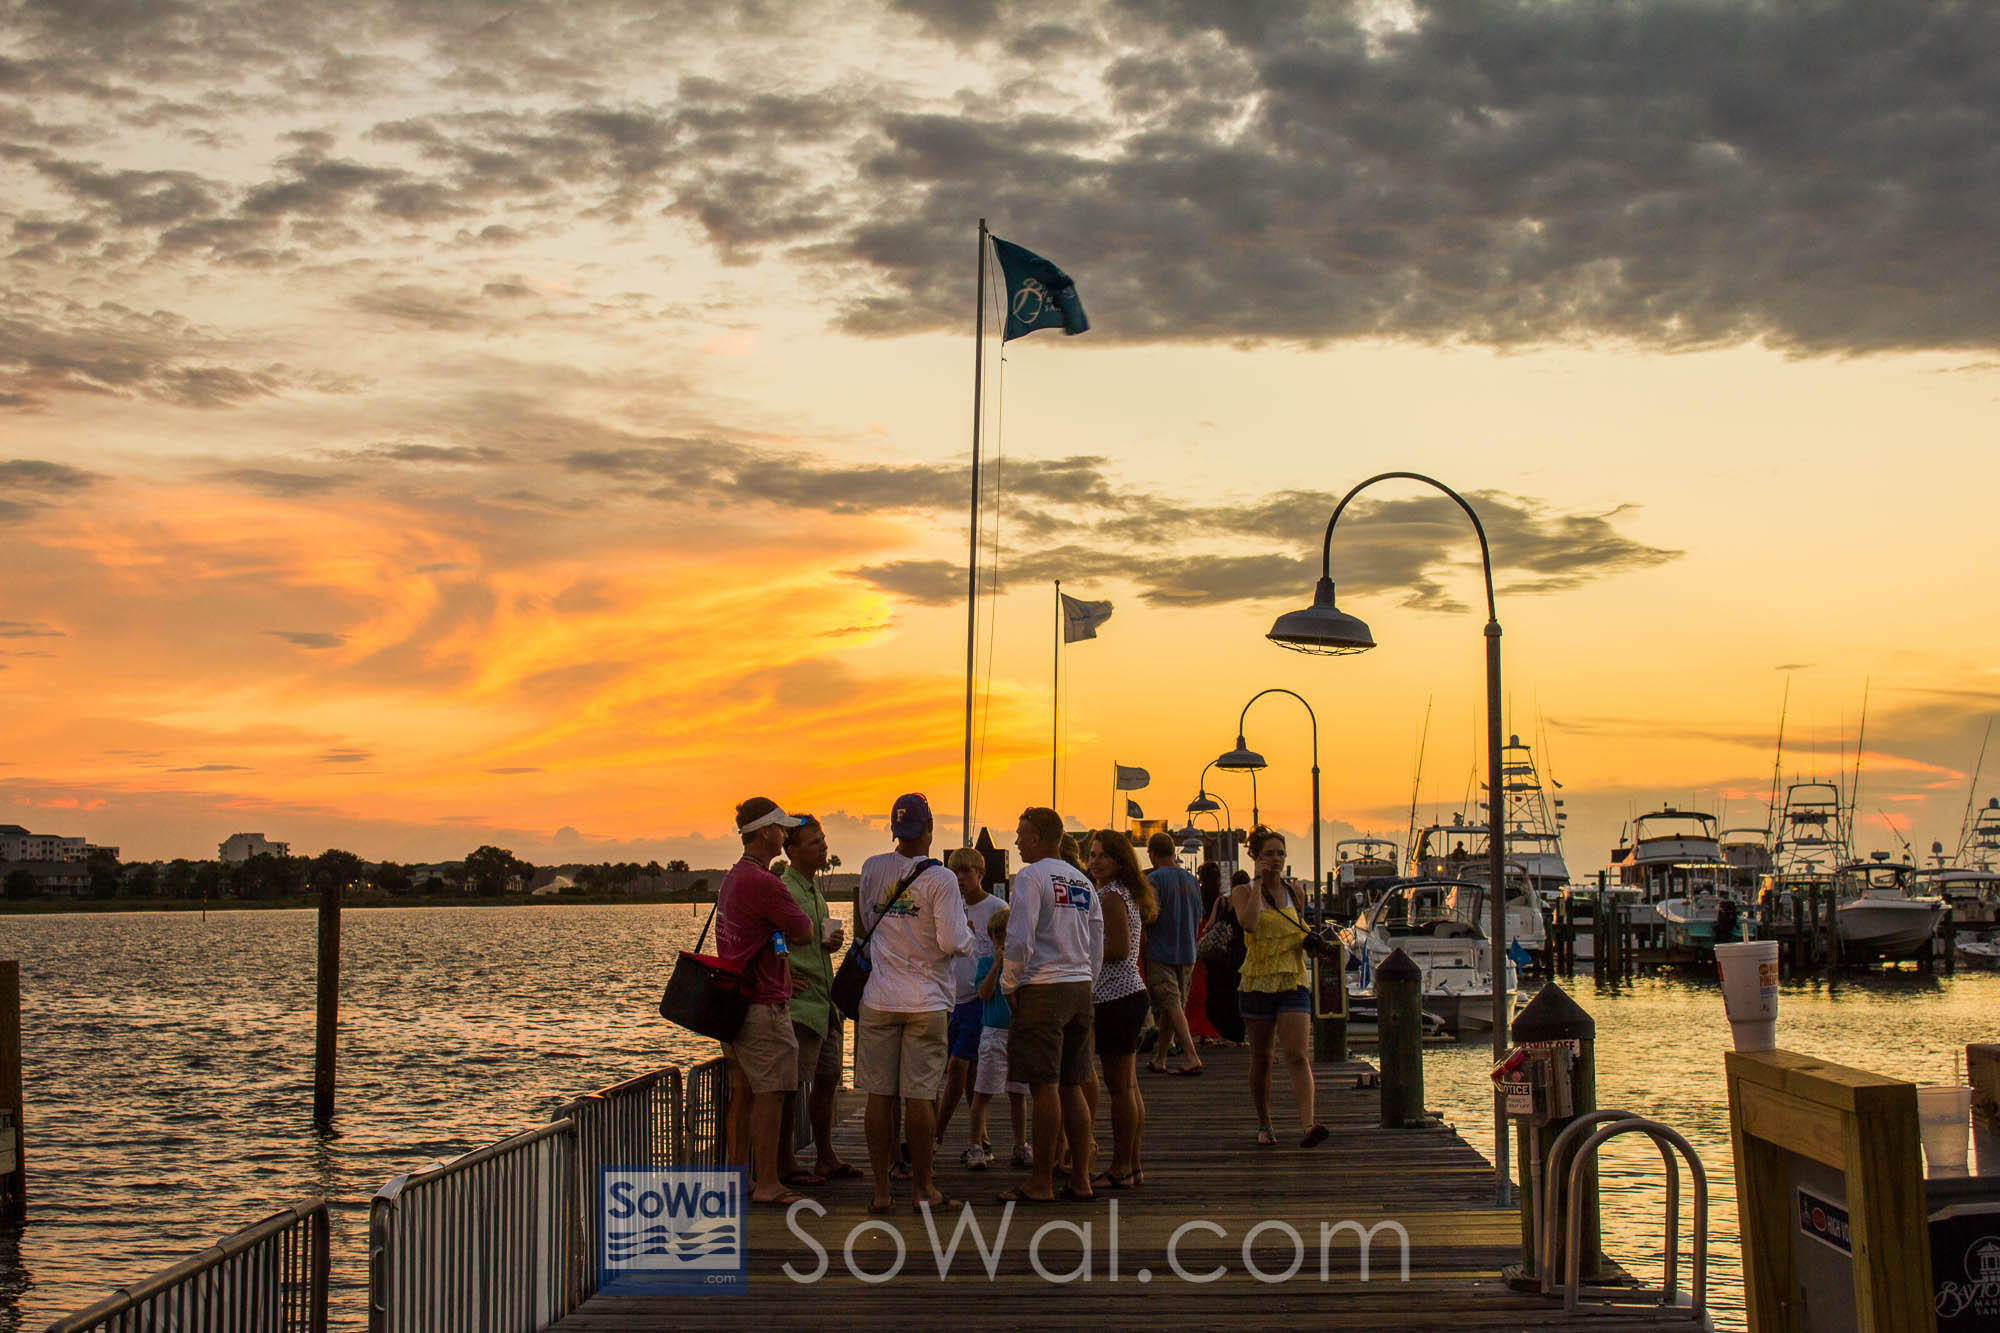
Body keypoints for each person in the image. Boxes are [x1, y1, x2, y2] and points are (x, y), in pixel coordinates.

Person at [854, 793, 973, 1213]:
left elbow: (867, 923)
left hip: (879, 997)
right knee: (919, 1097)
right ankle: (924, 1188)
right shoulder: (941, 880)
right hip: (925, 1000)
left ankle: (882, 1191)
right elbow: (952, 941)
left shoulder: (872, 867)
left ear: (894, 829)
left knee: (879, 1097)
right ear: (929, 829)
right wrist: (972, 938)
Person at [999, 806, 1104, 1203]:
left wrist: (1011, 982)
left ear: (1040, 837)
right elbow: (1096, 938)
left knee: (1043, 1086)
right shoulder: (1083, 882)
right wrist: (1086, 978)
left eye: (1021, 834)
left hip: (1043, 986)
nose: (1016, 841)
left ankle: (1040, 1182)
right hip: (1079, 985)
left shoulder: (1031, 877)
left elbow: (1020, 935)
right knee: (1072, 1083)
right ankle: (1081, 1177)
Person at [716, 796, 816, 1205]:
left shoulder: (734, 878)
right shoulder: (763, 882)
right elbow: (804, 929)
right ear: (763, 834)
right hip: (762, 1003)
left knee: (742, 1092)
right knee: (771, 1093)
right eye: (780, 829)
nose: (785, 834)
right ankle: (769, 1181)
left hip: (734, 1003)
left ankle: (738, 1176)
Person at [775, 815, 858, 1188]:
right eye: (813, 842)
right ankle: (785, 1160)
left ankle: (825, 1155)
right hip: (801, 1003)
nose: (823, 846)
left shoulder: (814, 891)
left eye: (822, 840)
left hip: (825, 1002)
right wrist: (787, 968)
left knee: (827, 1079)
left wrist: (828, 945)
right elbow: (775, 939)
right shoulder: (785, 889)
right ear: (792, 851)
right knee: (792, 1085)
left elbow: (807, 938)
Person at [1232, 828, 1327, 1148]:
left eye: (1280, 854)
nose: (1275, 859)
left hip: (1292, 978)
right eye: (1269, 854)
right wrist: (1259, 882)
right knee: (1262, 1057)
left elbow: (1299, 931)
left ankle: (1308, 1124)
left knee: (1298, 1054)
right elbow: (1249, 924)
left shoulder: (1296, 892)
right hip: (1258, 980)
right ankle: (1265, 1122)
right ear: (1256, 857)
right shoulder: (1243, 892)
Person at [1085, 829, 1155, 1189]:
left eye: (1102, 856)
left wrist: (1082, 951)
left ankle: (1121, 1166)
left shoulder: (1110, 896)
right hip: (1127, 994)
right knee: (1128, 1086)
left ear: (1118, 861)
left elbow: (1118, 948)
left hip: (1116, 996)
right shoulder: (1123, 893)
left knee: (1120, 1089)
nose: (1094, 862)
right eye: (1092, 855)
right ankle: (1133, 1163)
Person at [937, 846, 1006, 1164]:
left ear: (981, 874)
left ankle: (935, 1135)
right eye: (956, 872)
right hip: (952, 998)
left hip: (981, 1000)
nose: (962, 878)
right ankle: (981, 1138)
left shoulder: (997, 908)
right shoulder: (948, 907)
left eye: (967, 872)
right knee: (969, 1074)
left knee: (957, 1068)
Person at [970, 906, 1030, 1169]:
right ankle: (975, 1145)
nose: (1001, 941)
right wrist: (996, 965)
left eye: (1005, 936)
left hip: (1017, 1034)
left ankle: (1020, 1144)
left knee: (1018, 1093)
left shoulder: (1025, 964)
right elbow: (983, 994)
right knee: (983, 1091)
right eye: (997, 936)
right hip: (993, 1032)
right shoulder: (985, 963)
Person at [1141, 831, 1203, 1075]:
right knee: (1173, 1005)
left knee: (1170, 1004)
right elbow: (1198, 915)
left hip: (1161, 951)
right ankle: (1161, 1058)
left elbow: (1153, 914)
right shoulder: (1191, 880)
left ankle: (1191, 1055)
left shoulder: (1154, 880)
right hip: (1187, 951)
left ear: (1153, 854)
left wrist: (1139, 920)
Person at [1200, 864, 1247, 1044]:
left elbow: (1210, 924)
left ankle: (1221, 1031)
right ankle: (1240, 1035)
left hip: (1222, 954)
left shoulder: (1223, 901)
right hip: (1243, 952)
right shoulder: (1249, 903)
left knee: (1220, 994)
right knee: (1239, 993)